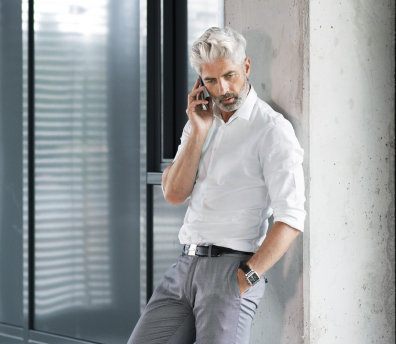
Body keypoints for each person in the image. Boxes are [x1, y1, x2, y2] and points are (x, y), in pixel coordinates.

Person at [128, 26, 306, 344]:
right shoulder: (199, 121)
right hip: (184, 267)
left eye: (230, 75)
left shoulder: (271, 130)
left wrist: (246, 277)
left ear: (246, 67)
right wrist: (198, 130)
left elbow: (291, 218)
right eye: (210, 80)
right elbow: (174, 193)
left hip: (230, 269)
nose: (222, 88)